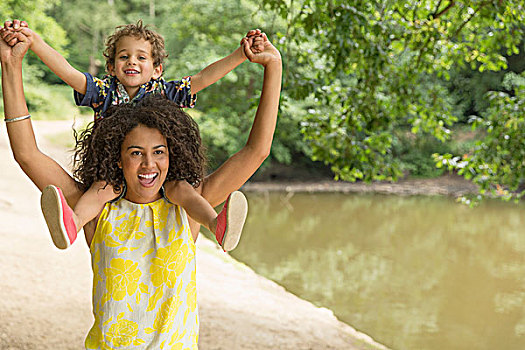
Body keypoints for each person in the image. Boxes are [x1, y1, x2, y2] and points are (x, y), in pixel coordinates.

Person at [1, 25, 281, 348]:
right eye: (135, 153)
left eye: (159, 152)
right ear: (117, 158)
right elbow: (26, 154)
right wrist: (10, 65)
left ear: (172, 154)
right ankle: (71, 224)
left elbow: (257, 150)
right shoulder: (99, 207)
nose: (149, 165)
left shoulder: (185, 207)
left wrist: (273, 67)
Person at [1, 19, 264, 252]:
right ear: (112, 67)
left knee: (183, 189)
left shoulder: (165, 92)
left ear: (157, 68)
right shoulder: (103, 91)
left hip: (159, 173)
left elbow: (205, 77)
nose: (132, 62)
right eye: (124, 57)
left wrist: (240, 54)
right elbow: (67, 71)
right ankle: (73, 224)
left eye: (141, 58)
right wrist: (34, 42)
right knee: (100, 190)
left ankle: (215, 224)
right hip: (114, 169)